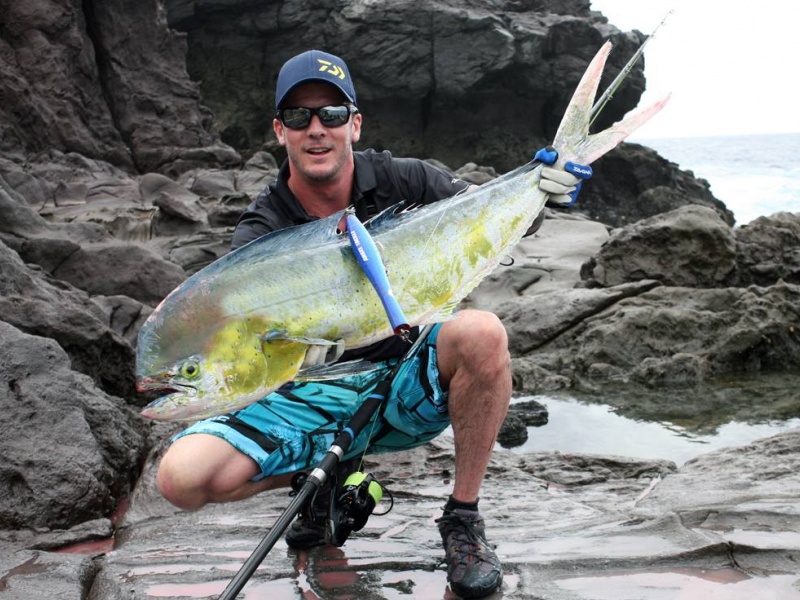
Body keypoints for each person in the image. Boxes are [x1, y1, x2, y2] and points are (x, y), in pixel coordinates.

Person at [155, 49, 588, 599]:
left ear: (354, 125)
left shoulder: (408, 180)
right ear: (279, 132)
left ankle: (462, 520)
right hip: (318, 393)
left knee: (483, 332)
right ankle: (325, 476)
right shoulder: (259, 237)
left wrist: (545, 190)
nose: (317, 129)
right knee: (181, 479)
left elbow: (497, 219)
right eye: (299, 117)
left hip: (409, 379)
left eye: (332, 114)